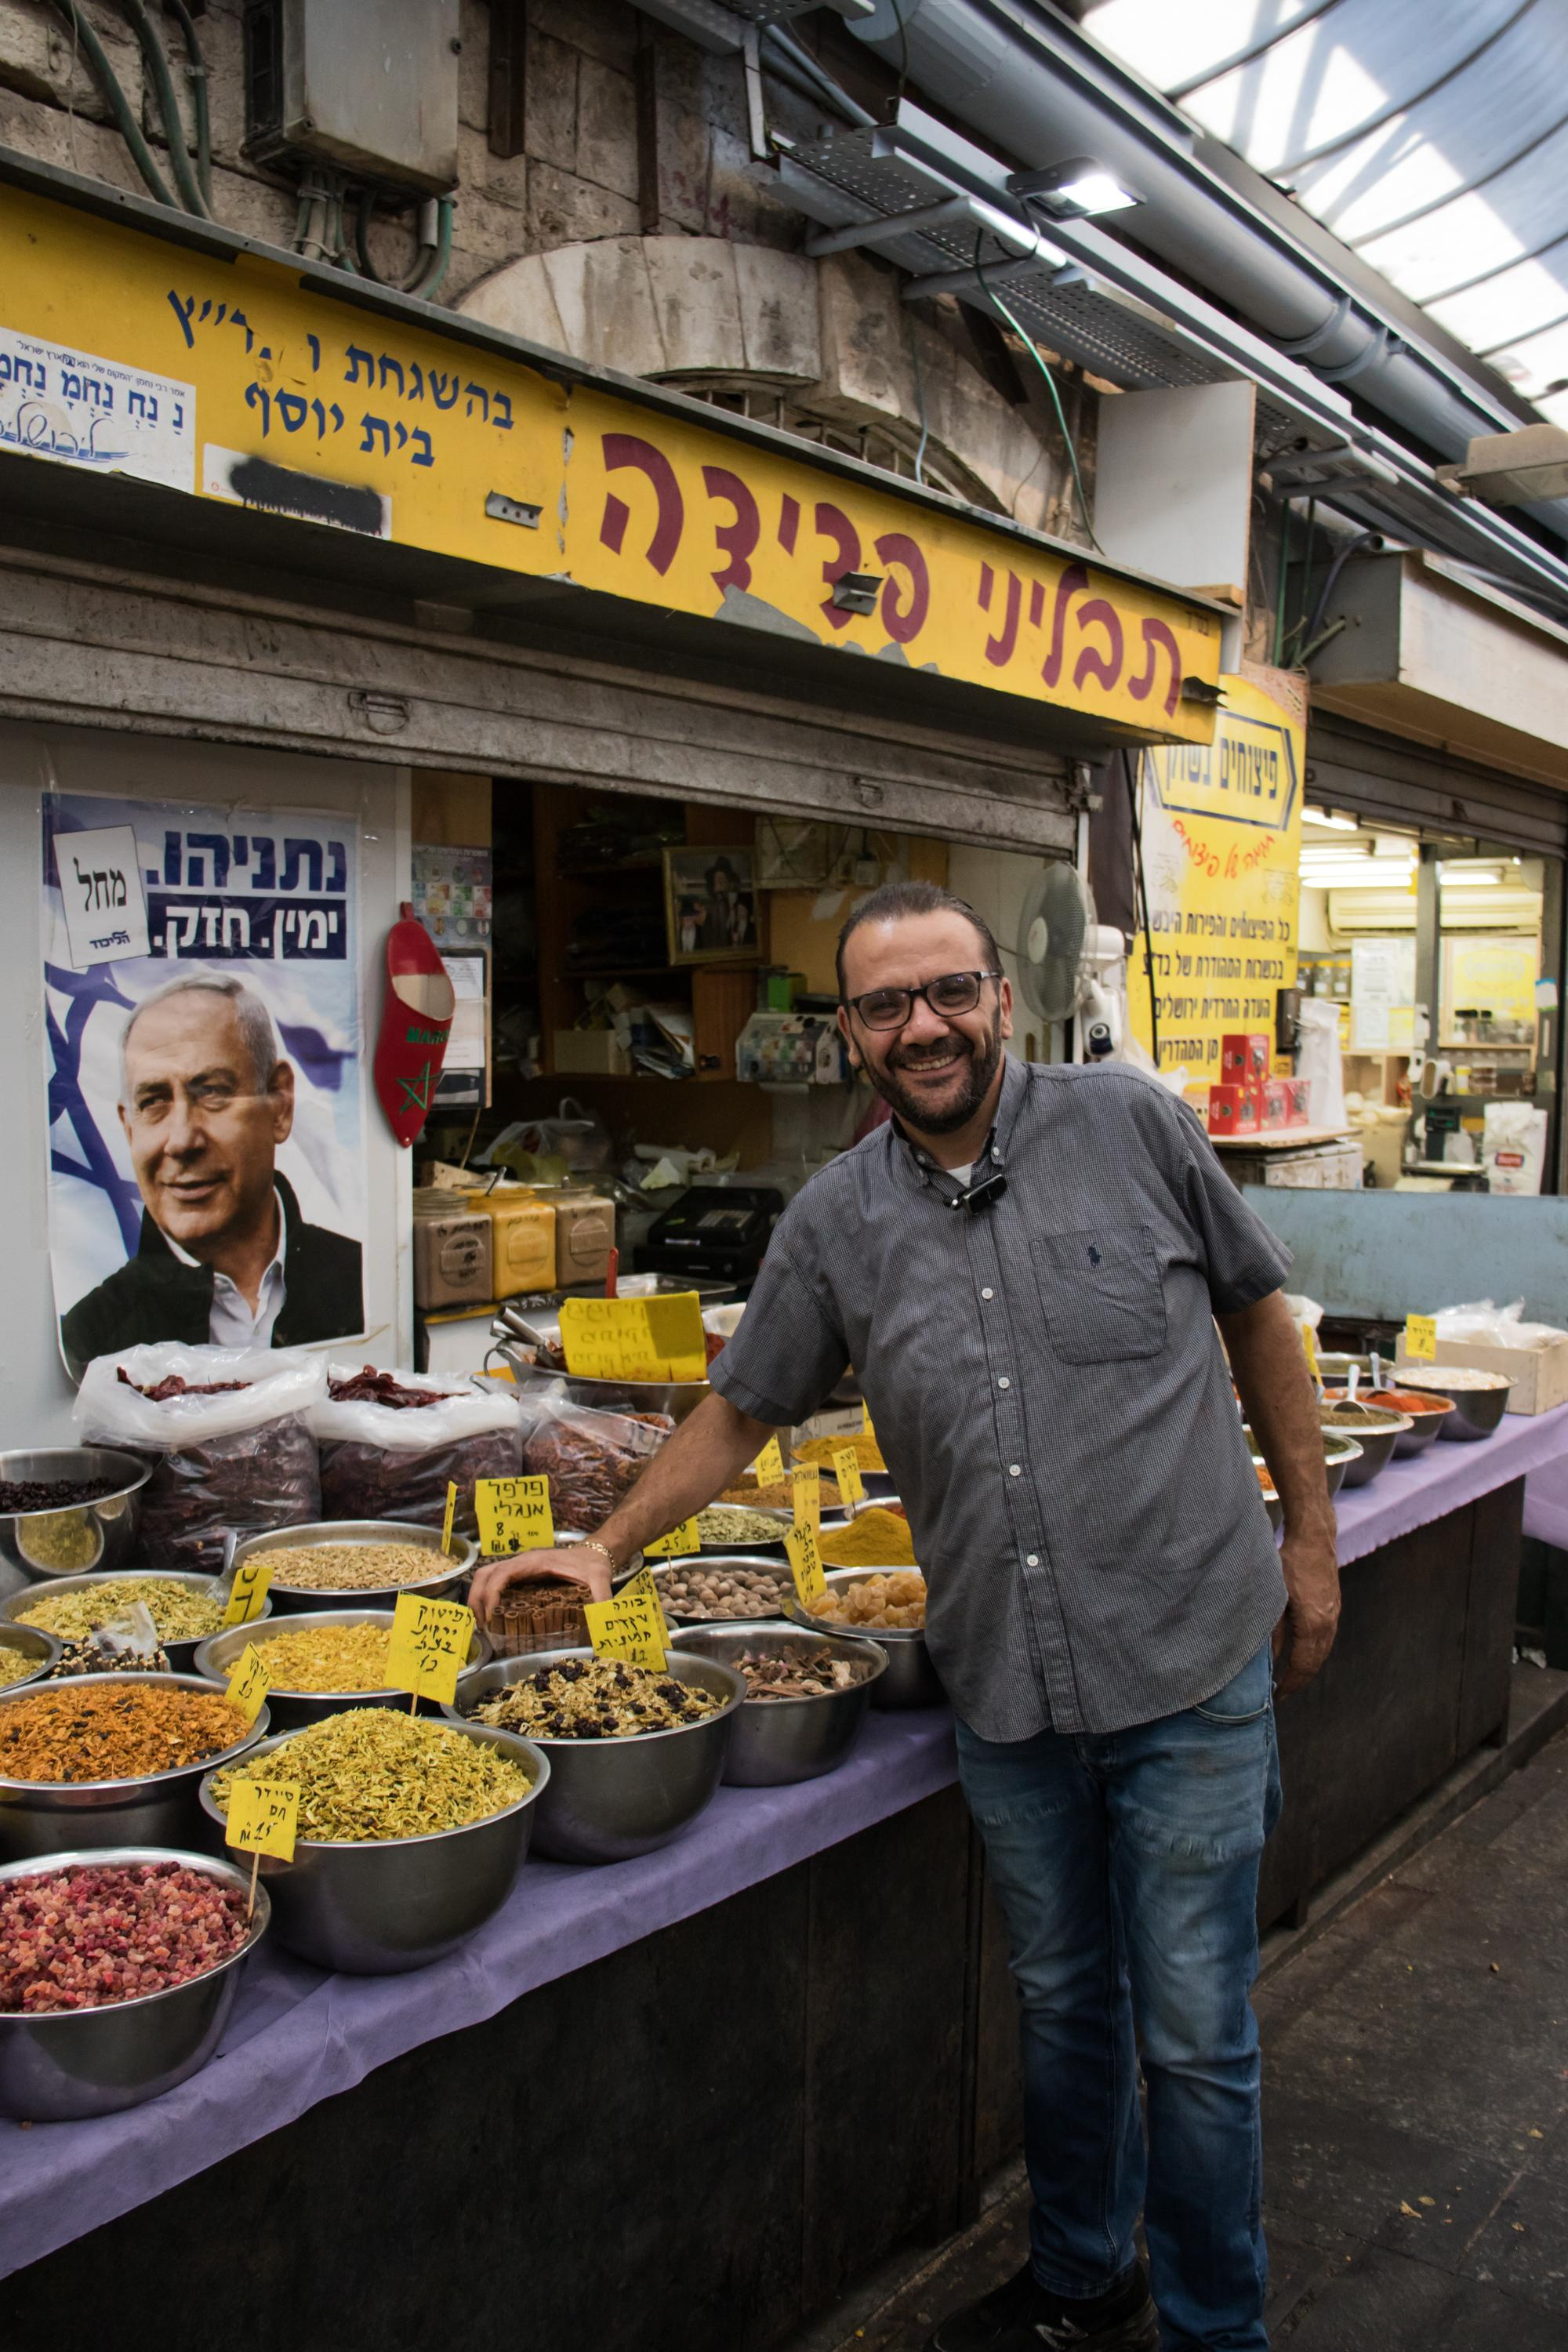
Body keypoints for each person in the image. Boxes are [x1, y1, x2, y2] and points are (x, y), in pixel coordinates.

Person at [470, 879, 1338, 2352]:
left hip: (1187, 1660)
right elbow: (741, 1408)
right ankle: (1083, 2276)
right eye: (883, 1005)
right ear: (850, 1032)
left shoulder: (1130, 1126)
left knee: (1195, 2037)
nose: (921, 1026)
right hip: (1009, 1690)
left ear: (1001, 996)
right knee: (1064, 2006)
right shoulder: (833, 1221)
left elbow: (1258, 1315)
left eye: (947, 992)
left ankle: (1215, 2327)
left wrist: (1310, 1543)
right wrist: (605, 1545)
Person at [60, 971, 364, 1369]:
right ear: (128, 1128)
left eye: (214, 1092)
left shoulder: (363, 1281)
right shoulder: (90, 1338)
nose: (182, 1140)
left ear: (280, 1104)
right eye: (153, 1102)